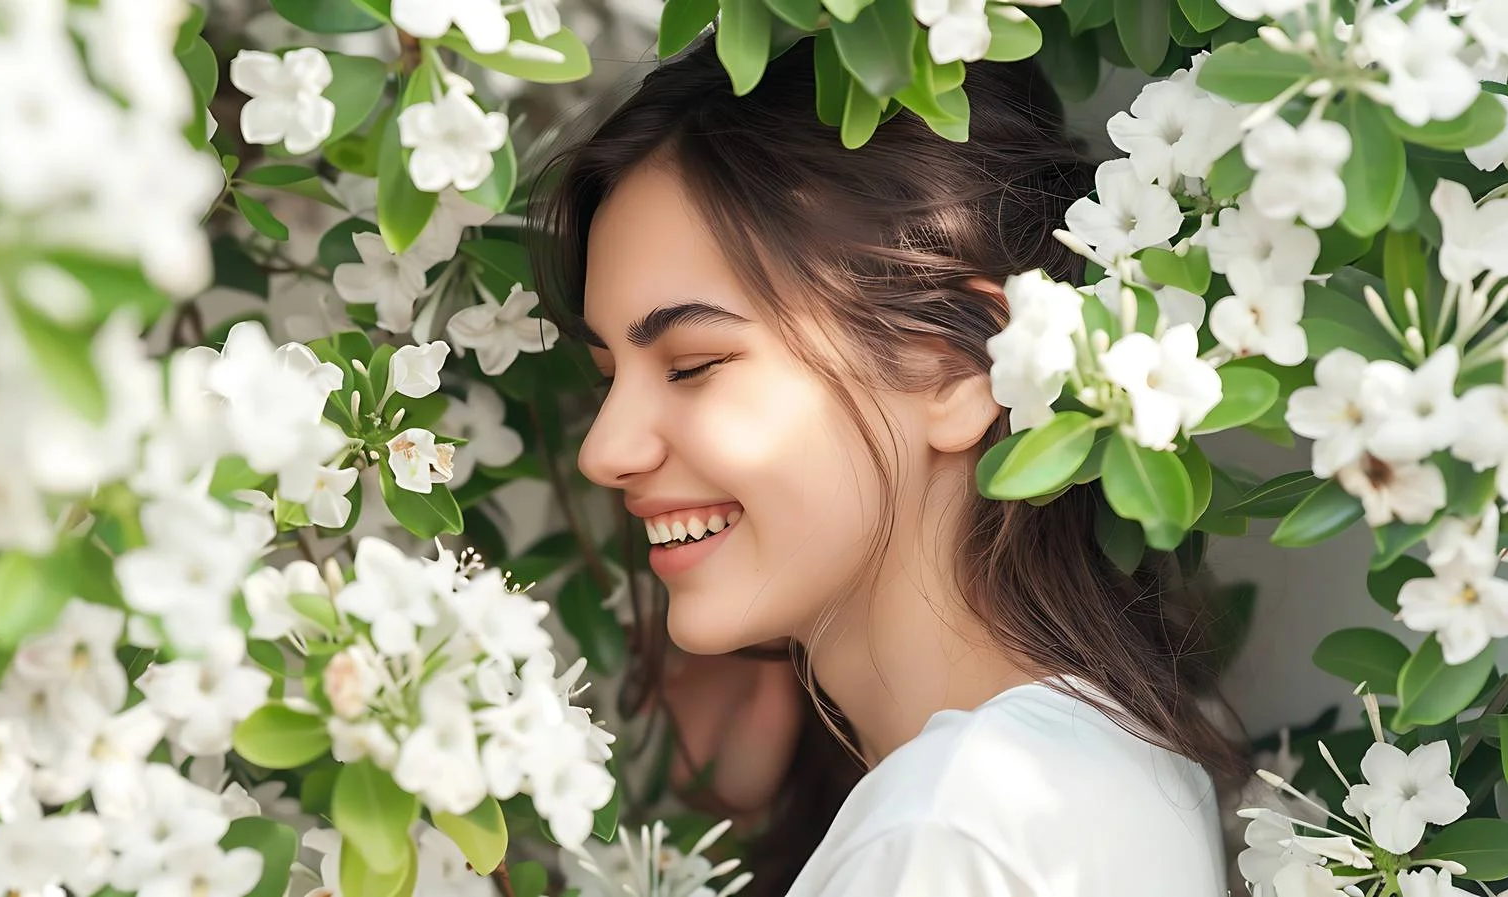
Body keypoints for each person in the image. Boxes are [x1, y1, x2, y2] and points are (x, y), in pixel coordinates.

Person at [528, 32, 1250, 897]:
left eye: (692, 365)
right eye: (611, 379)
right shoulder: (1094, 769)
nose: (605, 451)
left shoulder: (950, 830)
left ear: (961, 366)